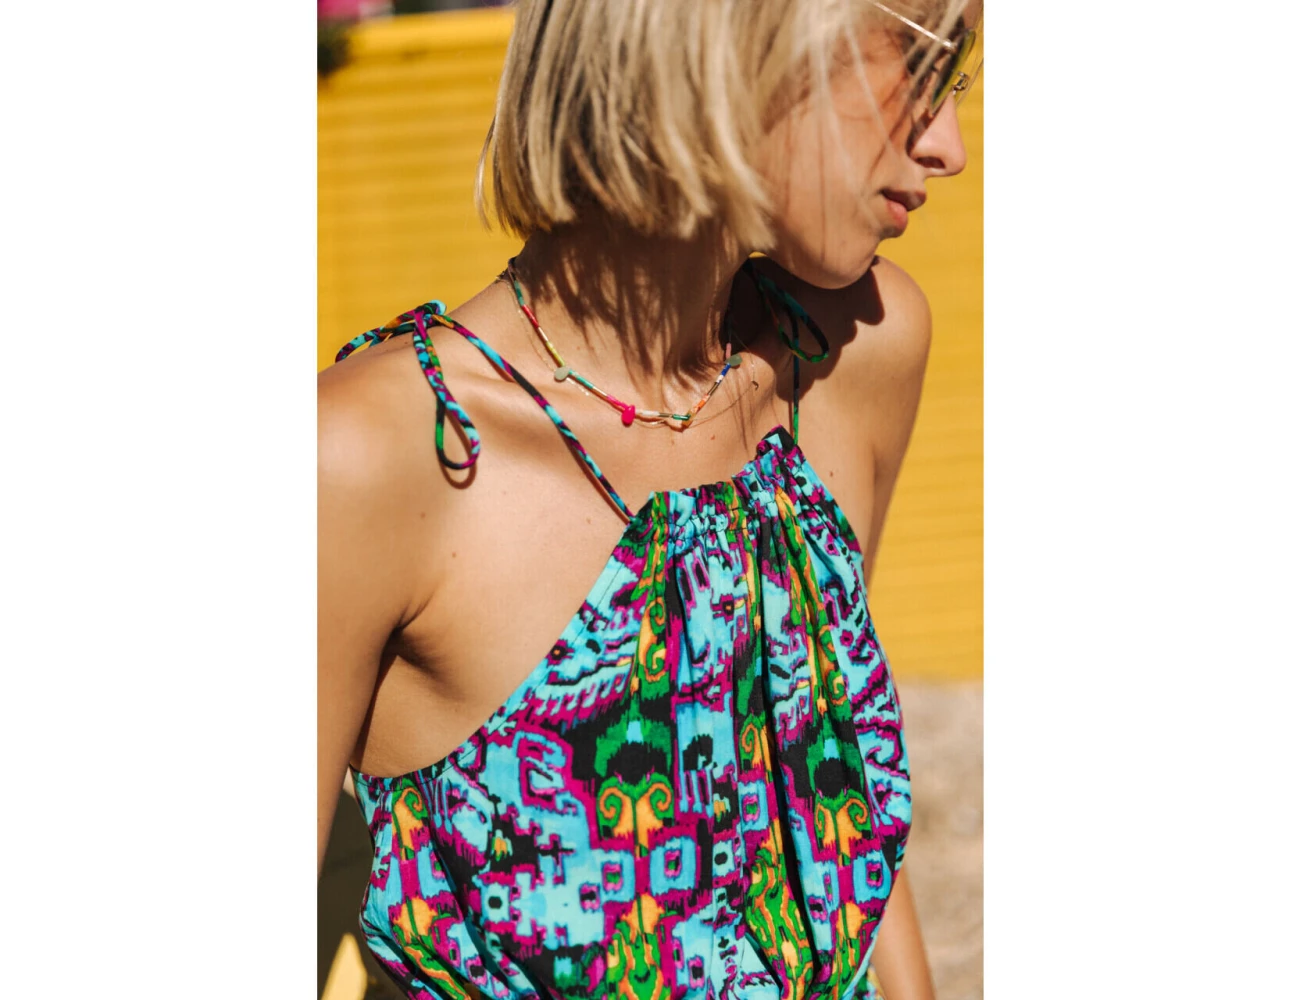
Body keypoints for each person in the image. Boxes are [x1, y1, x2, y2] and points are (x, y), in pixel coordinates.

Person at [318, 1, 980, 997]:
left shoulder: (851, 357)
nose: (947, 147)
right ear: (736, 35)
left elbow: (824, 782)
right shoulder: (377, 457)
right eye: (920, 65)